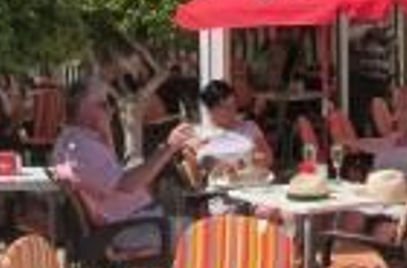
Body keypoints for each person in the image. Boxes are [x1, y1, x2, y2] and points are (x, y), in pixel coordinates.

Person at [54, 77, 194, 249]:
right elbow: (127, 184)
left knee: (205, 227)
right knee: (206, 233)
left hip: (131, 222)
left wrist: (106, 133)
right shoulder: (81, 148)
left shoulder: (76, 140)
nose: (110, 110)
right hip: (123, 230)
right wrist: (169, 148)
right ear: (84, 107)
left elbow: (111, 175)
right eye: (103, 104)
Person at [188, 79, 274, 180]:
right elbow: (194, 172)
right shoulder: (198, 134)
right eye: (226, 107)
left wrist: (251, 161)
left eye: (234, 104)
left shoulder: (249, 127)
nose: (233, 110)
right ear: (210, 110)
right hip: (216, 189)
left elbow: (269, 159)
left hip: (249, 184)